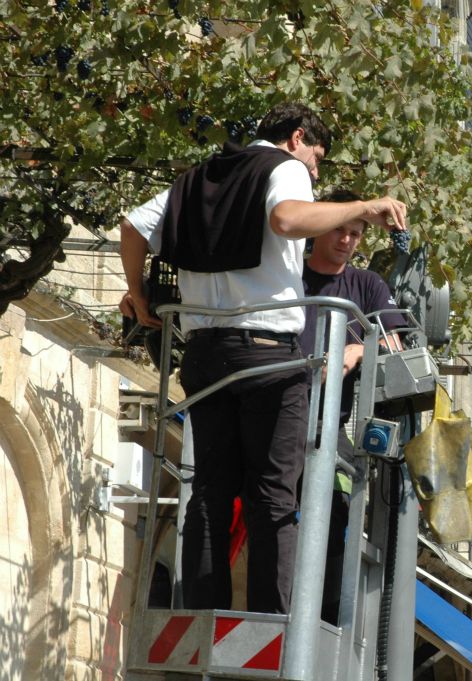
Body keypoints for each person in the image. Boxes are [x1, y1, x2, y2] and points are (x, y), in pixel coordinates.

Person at [119, 102, 407, 614]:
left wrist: (137, 293)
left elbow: (134, 226)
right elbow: (288, 217)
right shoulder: (285, 167)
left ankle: (201, 617)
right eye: (317, 161)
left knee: (208, 494)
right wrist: (364, 206)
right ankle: (273, 629)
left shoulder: (197, 177)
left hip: (204, 354)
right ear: (297, 138)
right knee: (273, 497)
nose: (314, 174)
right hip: (267, 355)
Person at [298, 191, 404, 624]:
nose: (346, 239)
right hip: (275, 414)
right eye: (339, 228)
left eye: (356, 234)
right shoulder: (287, 275)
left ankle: (321, 620)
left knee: (334, 518)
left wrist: (356, 351)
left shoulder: (366, 285)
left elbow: (395, 341)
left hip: (329, 429)